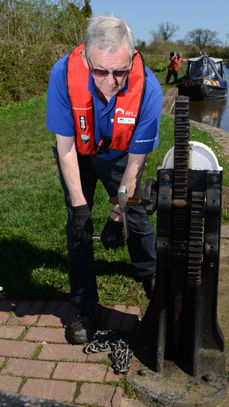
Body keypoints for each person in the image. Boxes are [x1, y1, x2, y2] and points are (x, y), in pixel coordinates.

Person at [46, 16, 163, 344]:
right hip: (77, 155)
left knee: (135, 216)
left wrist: (118, 212)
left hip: (120, 157)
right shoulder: (62, 75)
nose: (110, 82)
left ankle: (150, 275)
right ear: (85, 57)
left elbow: (136, 165)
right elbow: (64, 145)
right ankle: (85, 305)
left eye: (120, 71)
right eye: (100, 70)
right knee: (77, 226)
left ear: (132, 57)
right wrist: (81, 207)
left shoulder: (149, 90)